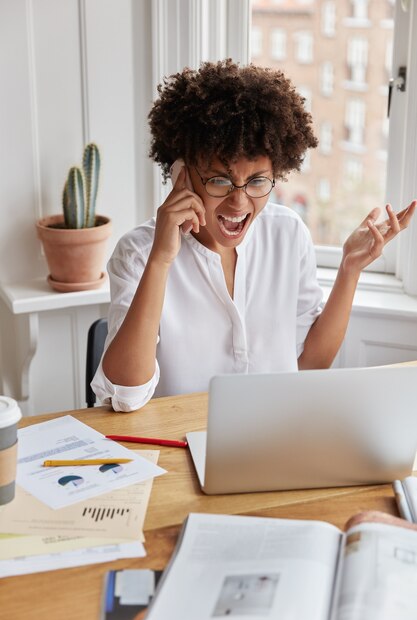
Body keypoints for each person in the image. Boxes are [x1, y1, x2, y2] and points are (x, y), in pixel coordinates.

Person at [92, 59, 416, 412]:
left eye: (258, 181)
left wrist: (349, 269)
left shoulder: (288, 234)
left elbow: (309, 365)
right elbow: (125, 394)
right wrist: (161, 259)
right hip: (177, 444)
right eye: (220, 179)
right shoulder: (139, 253)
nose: (239, 201)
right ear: (181, 174)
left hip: (270, 441)